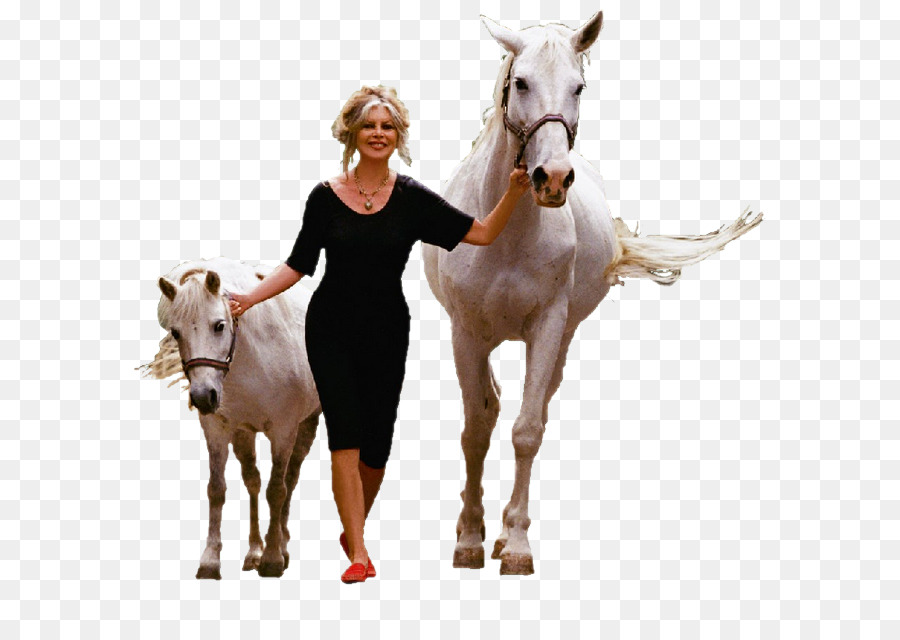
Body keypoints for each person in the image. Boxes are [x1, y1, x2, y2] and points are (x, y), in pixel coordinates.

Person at [228, 85, 531, 584]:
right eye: (369, 125)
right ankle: (359, 553)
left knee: (377, 448)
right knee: (343, 437)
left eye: (387, 126)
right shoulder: (324, 198)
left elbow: (481, 233)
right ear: (351, 132)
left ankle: (354, 528)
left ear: (398, 137)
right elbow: (299, 265)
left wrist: (515, 193)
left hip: (387, 330)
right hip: (329, 329)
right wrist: (249, 298)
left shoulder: (411, 198)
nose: (378, 133)